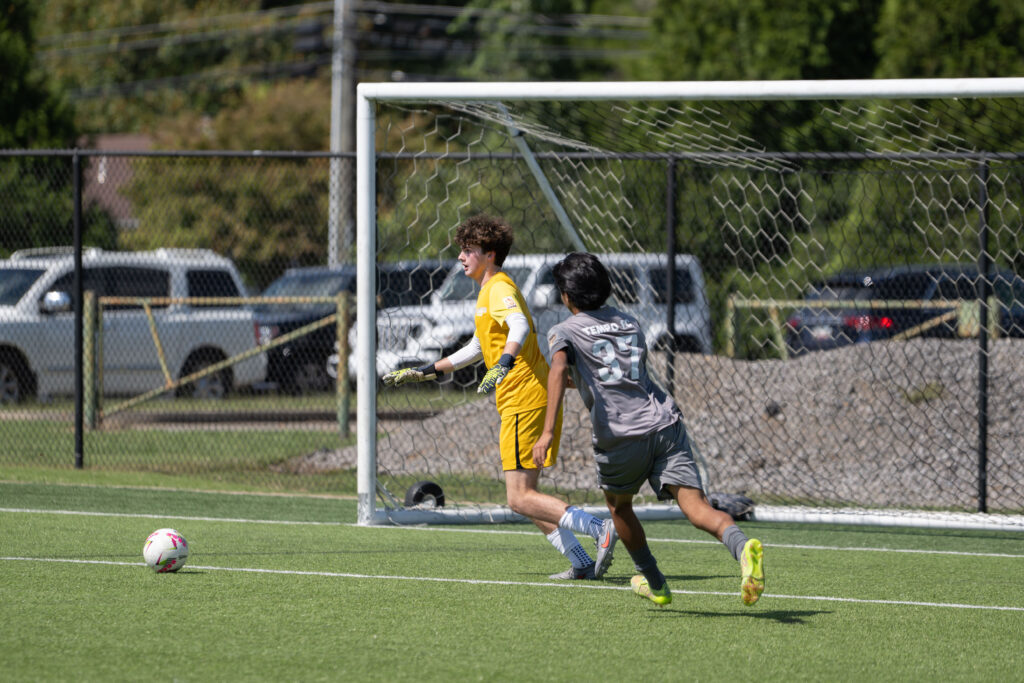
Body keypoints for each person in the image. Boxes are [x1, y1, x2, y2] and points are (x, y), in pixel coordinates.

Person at [382, 215, 618, 580]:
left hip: (524, 395)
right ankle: (581, 561)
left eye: (468, 250)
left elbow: (519, 328)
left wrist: (506, 361)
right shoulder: (489, 290)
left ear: (490, 255)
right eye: (461, 249)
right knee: (529, 496)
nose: (461, 257)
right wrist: (429, 369)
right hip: (520, 397)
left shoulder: (499, 289)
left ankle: (599, 529)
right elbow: (478, 346)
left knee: (518, 497)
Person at [531, 252, 764, 606]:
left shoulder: (563, 331)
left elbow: (560, 371)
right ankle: (741, 545)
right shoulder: (630, 322)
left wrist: (547, 433)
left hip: (621, 435)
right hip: (665, 424)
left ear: (566, 296)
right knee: (697, 508)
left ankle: (655, 581)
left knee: (620, 508)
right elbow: (619, 376)